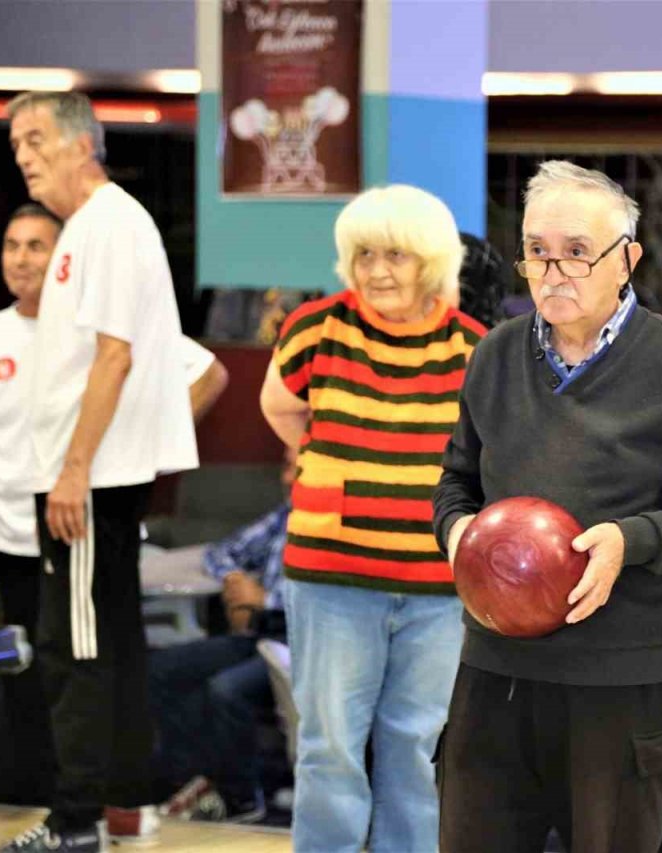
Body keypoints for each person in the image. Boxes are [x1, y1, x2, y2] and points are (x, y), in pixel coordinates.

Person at [432, 160, 662, 853]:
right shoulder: (491, 356)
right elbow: (456, 484)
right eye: (537, 252)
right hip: (494, 673)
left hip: (618, 683)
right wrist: (461, 535)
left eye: (578, 252)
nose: (554, 271)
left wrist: (629, 541)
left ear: (627, 259)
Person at [0, 204, 227, 811]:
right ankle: (26, 810)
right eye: (12, 245)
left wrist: (135, 455)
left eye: (38, 247)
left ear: (66, 259)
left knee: (93, 680)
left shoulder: (97, 334)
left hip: (83, 530)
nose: (22, 258)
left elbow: (209, 374)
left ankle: (105, 810)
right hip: (8, 541)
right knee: (21, 694)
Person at [0, 91, 198, 853]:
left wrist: (74, 470)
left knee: (73, 649)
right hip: (88, 473)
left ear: (85, 144)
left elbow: (114, 355)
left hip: (91, 476)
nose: (24, 152)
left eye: (37, 136)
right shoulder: (87, 229)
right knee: (105, 642)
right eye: (16, 141)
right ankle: (119, 808)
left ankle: (74, 820)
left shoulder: (110, 224)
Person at [258, 184, 484, 853]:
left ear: (431, 262)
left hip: (436, 590)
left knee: (415, 747)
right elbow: (280, 406)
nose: (377, 269)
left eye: (396, 255)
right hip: (331, 581)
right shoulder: (315, 328)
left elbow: (488, 453)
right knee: (329, 748)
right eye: (363, 254)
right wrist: (323, 459)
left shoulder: (473, 347)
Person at [147, 447, 296, 825]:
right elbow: (222, 552)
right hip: (259, 634)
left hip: (306, 642)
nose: (286, 477)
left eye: (297, 467)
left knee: (226, 690)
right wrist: (236, 581)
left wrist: (265, 599)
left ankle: (243, 801)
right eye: (285, 466)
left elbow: (337, 595)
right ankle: (194, 779)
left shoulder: (337, 520)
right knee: (163, 668)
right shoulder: (284, 517)